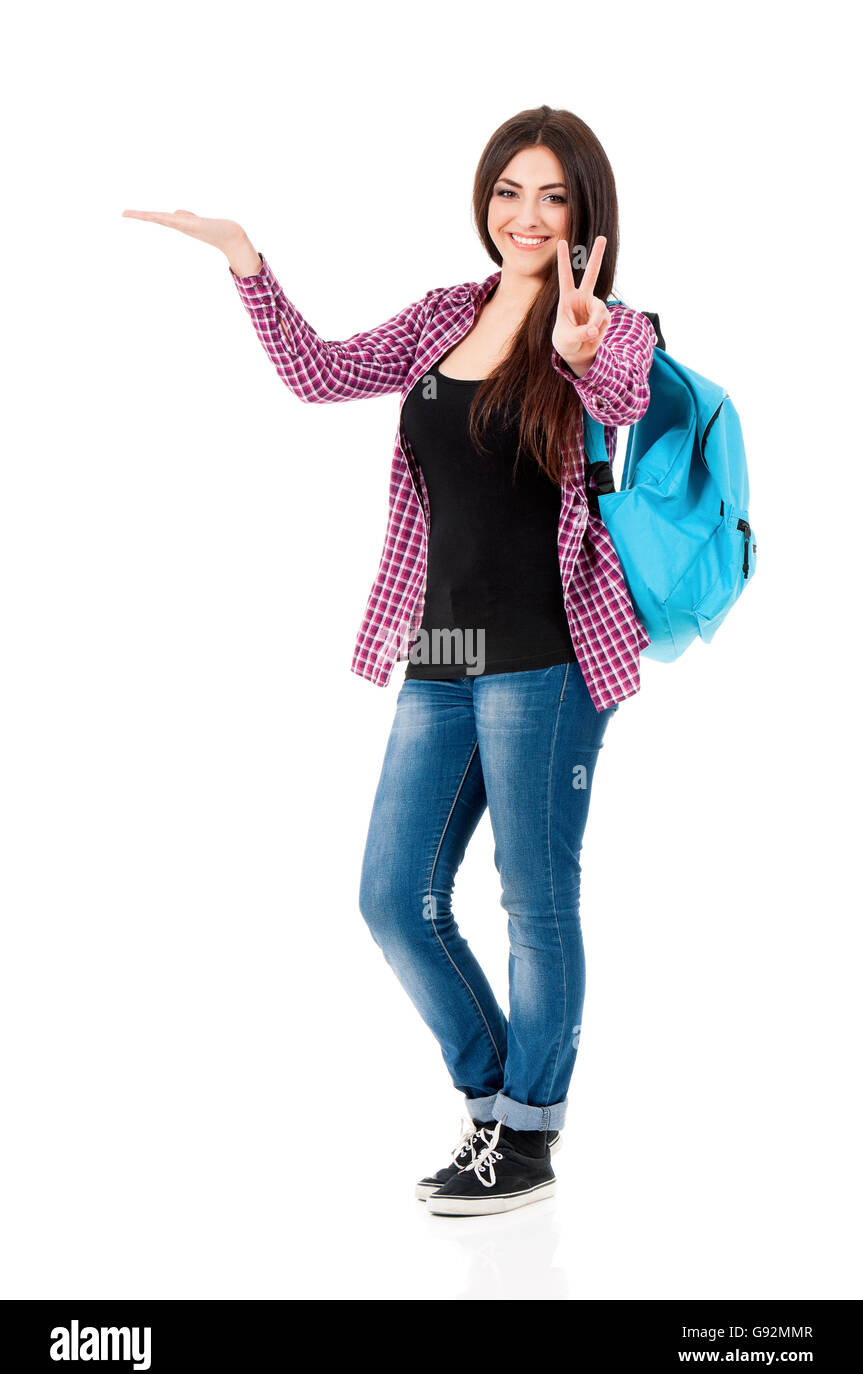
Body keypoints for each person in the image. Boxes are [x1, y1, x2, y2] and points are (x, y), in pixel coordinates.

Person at [122, 103, 656, 1218]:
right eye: (509, 190)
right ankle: (492, 1102)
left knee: (533, 900)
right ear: (485, 198)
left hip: (545, 661)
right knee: (389, 896)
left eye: (551, 195)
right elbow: (318, 374)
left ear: (584, 213)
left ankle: (530, 1139)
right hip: (442, 648)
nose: (524, 214)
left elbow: (620, 399)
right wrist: (244, 258)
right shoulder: (438, 316)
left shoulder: (612, 327)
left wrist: (580, 346)